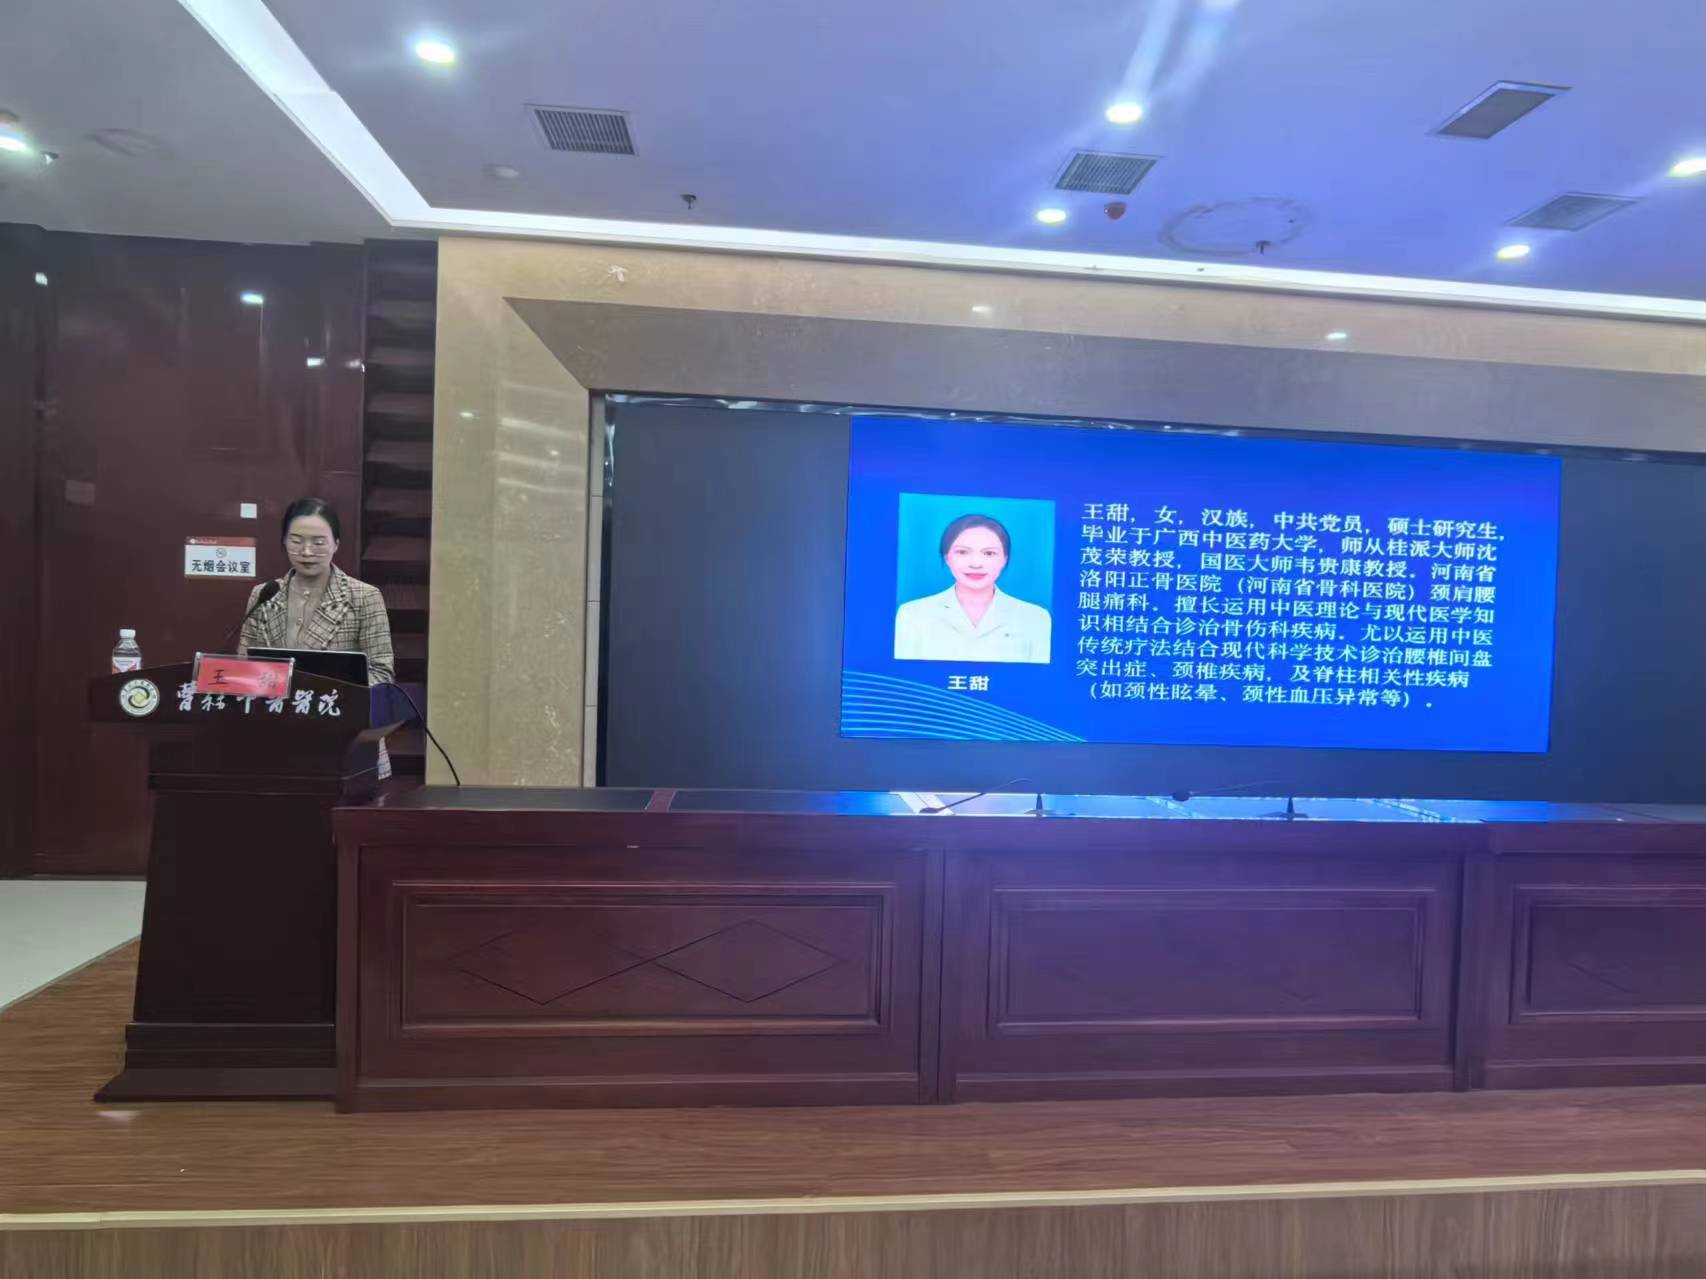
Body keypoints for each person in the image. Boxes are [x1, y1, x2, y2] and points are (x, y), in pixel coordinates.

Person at [241, 498, 397, 773]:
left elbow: (382, 673)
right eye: (296, 541)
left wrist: (329, 694)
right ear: (284, 542)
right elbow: (244, 666)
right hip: (277, 739)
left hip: (346, 741)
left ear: (336, 544)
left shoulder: (364, 597)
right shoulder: (264, 595)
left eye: (318, 542)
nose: (306, 551)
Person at [894, 513, 1052, 663]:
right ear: (947, 557)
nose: (976, 564)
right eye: (963, 552)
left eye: (989, 553)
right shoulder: (912, 614)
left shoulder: (1035, 618)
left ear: (1004, 559)